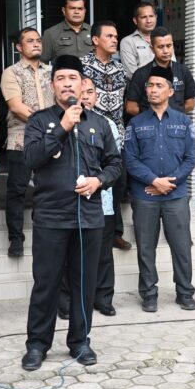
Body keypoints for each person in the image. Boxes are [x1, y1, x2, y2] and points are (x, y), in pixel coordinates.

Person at [21, 55, 121, 371]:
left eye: (73, 78)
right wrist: (62, 128)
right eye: (61, 78)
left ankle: (80, 341)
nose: (67, 84)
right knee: (46, 284)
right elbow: (32, 159)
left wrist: (99, 180)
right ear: (53, 86)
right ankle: (37, 345)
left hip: (88, 218)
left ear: (82, 84)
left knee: (83, 284)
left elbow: (115, 164)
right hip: (51, 217)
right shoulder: (39, 121)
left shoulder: (99, 124)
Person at [125, 66, 195, 312]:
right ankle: (149, 293)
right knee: (146, 247)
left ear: (170, 90)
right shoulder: (135, 123)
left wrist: (169, 183)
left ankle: (185, 292)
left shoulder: (184, 122)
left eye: (158, 86)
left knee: (182, 246)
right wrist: (155, 181)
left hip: (176, 196)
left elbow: (190, 159)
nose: (153, 90)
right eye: (149, 85)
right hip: (145, 195)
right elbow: (130, 160)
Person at [58, 78, 121, 318]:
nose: (85, 96)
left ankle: (103, 298)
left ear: (97, 96)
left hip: (101, 203)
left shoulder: (107, 125)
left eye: (90, 92)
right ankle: (65, 303)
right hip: (69, 204)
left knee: (103, 256)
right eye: (81, 92)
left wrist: (99, 183)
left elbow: (114, 164)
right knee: (67, 257)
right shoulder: (60, 121)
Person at [0, 27, 54, 257]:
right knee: (17, 190)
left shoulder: (52, 72)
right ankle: (16, 239)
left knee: (48, 188)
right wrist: (49, 123)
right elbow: (16, 107)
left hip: (50, 139)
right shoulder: (11, 73)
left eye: (38, 41)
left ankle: (45, 233)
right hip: (20, 139)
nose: (36, 44)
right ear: (18, 47)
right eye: (30, 41)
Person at [82, 20, 132, 252]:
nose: (115, 40)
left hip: (117, 131)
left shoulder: (120, 68)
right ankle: (95, 228)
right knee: (94, 178)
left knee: (117, 181)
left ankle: (115, 232)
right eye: (110, 36)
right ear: (95, 40)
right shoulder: (83, 65)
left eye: (116, 36)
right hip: (90, 132)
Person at [125, 27, 195, 116]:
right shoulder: (141, 74)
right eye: (160, 47)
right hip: (150, 127)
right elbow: (131, 107)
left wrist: (172, 117)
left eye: (169, 46)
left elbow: (191, 103)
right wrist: (151, 118)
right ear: (152, 48)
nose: (166, 51)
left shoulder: (183, 71)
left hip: (176, 127)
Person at [41, 0, 93, 64]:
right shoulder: (50, 33)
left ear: (84, 11)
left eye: (80, 9)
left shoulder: (94, 31)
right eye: (72, 8)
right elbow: (42, 63)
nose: (76, 12)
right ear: (64, 10)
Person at [119, 2, 158, 79]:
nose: (148, 21)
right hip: (140, 89)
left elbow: (173, 66)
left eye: (151, 16)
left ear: (156, 17)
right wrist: (156, 83)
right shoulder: (128, 42)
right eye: (144, 17)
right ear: (135, 20)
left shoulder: (164, 39)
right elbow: (132, 74)